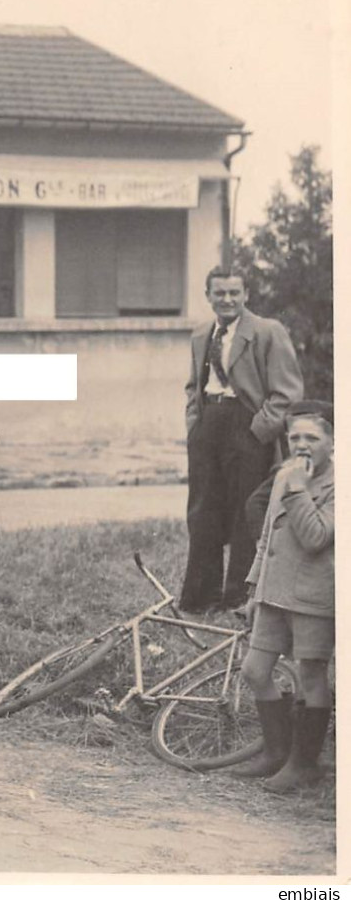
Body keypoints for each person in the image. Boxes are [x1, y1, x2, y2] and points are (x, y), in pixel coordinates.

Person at [182, 267, 303, 613]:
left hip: (247, 425)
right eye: (219, 293)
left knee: (243, 509)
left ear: (246, 294)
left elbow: (287, 392)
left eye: (235, 292)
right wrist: (194, 422)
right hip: (209, 424)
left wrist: (258, 430)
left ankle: (238, 597)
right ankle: (200, 597)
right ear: (208, 297)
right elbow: (194, 385)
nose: (228, 300)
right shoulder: (202, 333)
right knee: (202, 509)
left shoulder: (267, 332)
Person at [232, 401, 334, 792]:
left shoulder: (334, 482)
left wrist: (297, 489)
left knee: (311, 674)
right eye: (294, 437)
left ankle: (304, 764)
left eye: (312, 437)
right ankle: (277, 752)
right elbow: (267, 539)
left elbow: (316, 538)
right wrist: (254, 590)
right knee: (255, 670)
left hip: (313, 595)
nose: (301, 445)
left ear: (334, 441)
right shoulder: (287, 474)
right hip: (274, 592)